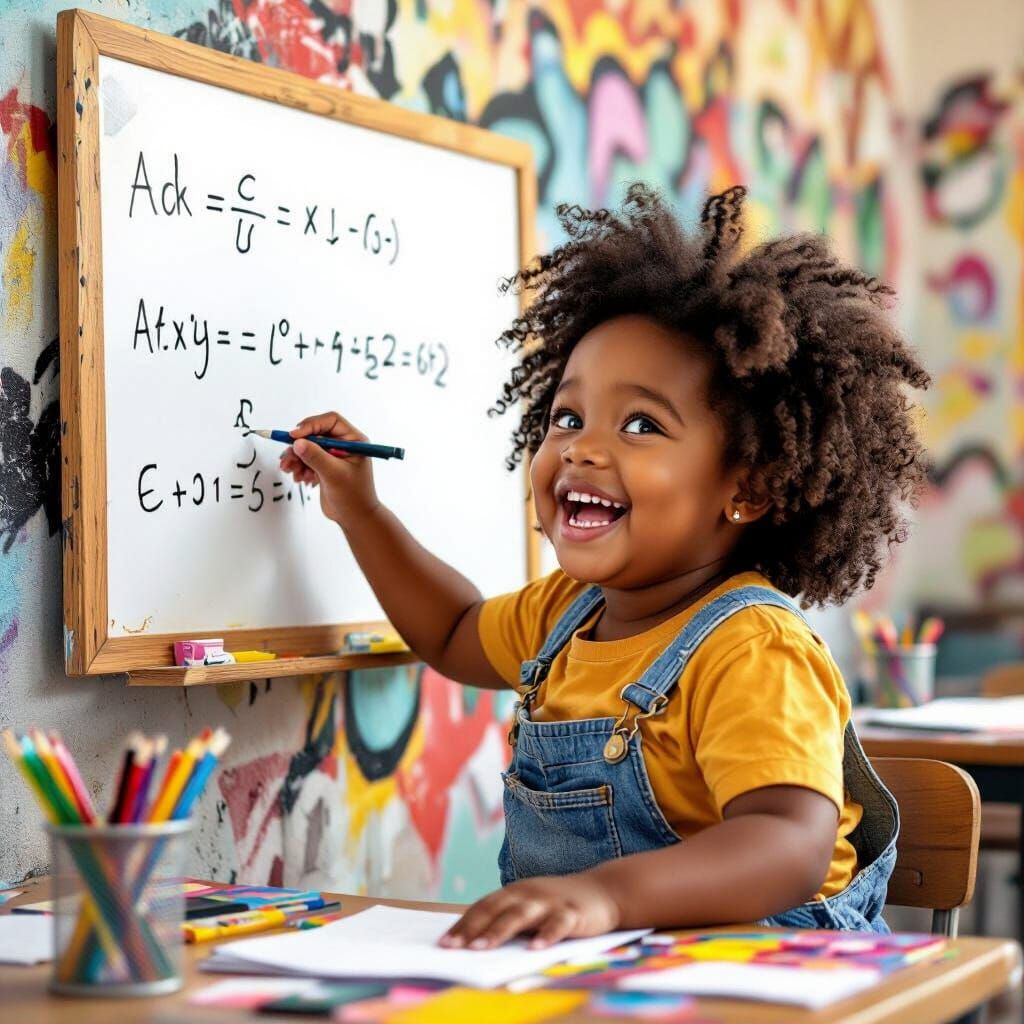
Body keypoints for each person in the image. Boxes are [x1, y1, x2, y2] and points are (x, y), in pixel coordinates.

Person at [281, 184, 930, 949]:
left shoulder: (753, 649)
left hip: (770, 970)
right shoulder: (566, 611)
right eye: (567, 416)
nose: (582, 447)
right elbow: (453, 631)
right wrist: (362, 513)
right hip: (602, 974)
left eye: (641, 424)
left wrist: (607, 897)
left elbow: (788, 843)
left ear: (748, 488)